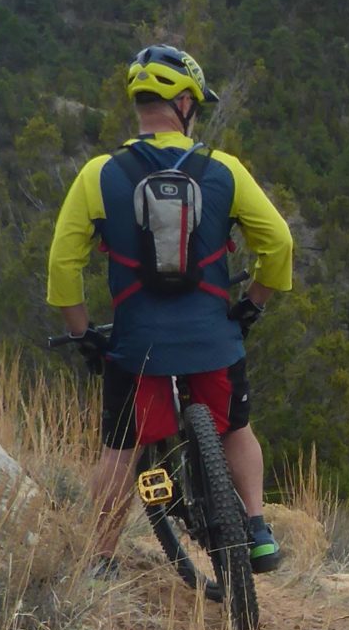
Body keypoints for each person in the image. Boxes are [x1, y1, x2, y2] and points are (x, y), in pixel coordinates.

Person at [46, 43, 294, 575]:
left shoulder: (99, 174)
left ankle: (101, 556)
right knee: (235, 428)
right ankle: (256, 529)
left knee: (120, 447)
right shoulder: (224, 169)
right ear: (183, 102)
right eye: (197, 103)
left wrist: (84, 333)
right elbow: (279, 243)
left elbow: (62, 267)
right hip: (212, 339)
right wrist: (252, 306)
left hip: (138, 346)